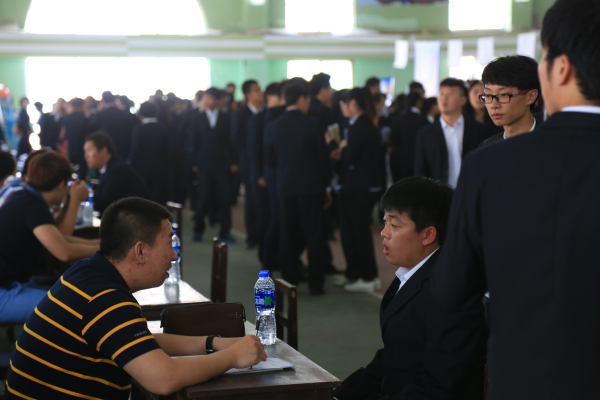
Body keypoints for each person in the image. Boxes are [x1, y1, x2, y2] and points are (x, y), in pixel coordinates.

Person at [430, 1, 600, 398]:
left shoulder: (489, 166)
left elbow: (454, 289)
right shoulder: (489, 154)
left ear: (560, 68)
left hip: (526, 373)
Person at [5, 197, 266, 399]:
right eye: (169, 243)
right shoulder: (106, 299)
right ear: (140, 251)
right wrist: (233, 357)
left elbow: (139, 342)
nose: (174, 255)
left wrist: (214, 343)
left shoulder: (87, 272)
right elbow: (164, 379)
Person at [333, 177, 484, 400]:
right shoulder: (412, 273)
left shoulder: (451, 295)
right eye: (385, 222)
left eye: (395, 225)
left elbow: (438, 388)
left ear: (428, 235)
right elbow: (393, 357)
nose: (384, 233)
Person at [0, 152, 98, 323]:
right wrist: (107, 249)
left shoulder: (27, 197)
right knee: (78, 306)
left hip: (13, 284)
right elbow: (64, 252)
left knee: (75, 289)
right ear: (61, 185)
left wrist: (99, 245)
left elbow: (57, 235)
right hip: (5, 292)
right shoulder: (31, 204)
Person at [264, 78, 330, 295]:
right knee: (314, 235)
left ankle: (289, 281)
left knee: (288, 235)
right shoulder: (314, 124)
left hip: (285, 188)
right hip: (311, 188)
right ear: (302, 99)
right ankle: (316, 283)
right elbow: (323, 159)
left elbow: (270, 161)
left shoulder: (273, 126)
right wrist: (326, 186)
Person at [331, 88, 384, 292]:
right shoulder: (364, 123)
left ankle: (367, 276)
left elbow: (351, 157)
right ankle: (356, 274)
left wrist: (342, 148)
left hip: (357, 187)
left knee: (357, 233)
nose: (342, 108)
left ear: (352, 103)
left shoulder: (360, 125)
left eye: (344, 104)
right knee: (354, 232)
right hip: (360, 186)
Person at [414, 78, 489, 188]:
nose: (444, 98)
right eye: (442, 94)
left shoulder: (480, 130)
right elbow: (420, 171)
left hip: (471, 190)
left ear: (463, 100)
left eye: (451, 94)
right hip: (438, 194)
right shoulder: (425, 134)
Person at [191, 88, 237, 244]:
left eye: (209, 98)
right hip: (203, 165)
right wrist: (194, 162)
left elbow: (232, 141)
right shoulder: (197, 118)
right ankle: (198, 229)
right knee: (202, 198)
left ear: (217, 100)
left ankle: (225, 231)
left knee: (225, 199)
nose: (206, 100)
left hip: (223, 165)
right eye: (205, 98)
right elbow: (194, 142)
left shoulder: (227, 117)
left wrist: (233, 162)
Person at [477, 55, 541, 149]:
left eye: (503, 95)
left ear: (531, 96)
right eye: (488, 95)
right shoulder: (486, 148)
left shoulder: (552, 144)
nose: (493, 105)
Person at [84, 132, 149, 215]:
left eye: (89, 150)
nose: (86, 155)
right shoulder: (109, 166)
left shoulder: (117, 171)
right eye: (85, 151)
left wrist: (83, 194)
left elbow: (103, 204)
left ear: (104, 151)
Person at [232, 80, 263, 248]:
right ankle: (252, 236)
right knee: (251, 200)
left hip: (264, 163)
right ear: (248, 94)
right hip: (249, 164)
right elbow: (236, 139)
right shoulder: (241, 114)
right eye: (257, 90)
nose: (261, 92)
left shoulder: (265, 112)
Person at [129, 102, 169, 205]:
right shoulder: (163, 128)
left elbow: (135, 152)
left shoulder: (138, 129)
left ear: (141, 113)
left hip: (142, 171)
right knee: (158, 200)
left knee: (144, 201)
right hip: (161, 170)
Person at [389, 92, 429, 183]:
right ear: (418, 102)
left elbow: (392, 139)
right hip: (415, 162)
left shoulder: (397, 119)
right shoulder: (423, 120)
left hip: (397, 161)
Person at [90, 91, 138, 159]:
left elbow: (92, 127)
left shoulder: (99, 114)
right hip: (123, 148)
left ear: (103, 101)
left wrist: (97, 111)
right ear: (113, 99)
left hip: (105, 148)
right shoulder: (124, 114)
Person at [63, 97, 90, 178]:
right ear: (82, 105)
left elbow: (63, 135)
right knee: (82, 173)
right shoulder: (85, 119)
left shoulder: (66, 118)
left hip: (70, 148)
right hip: (83, 149)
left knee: (71, 172)